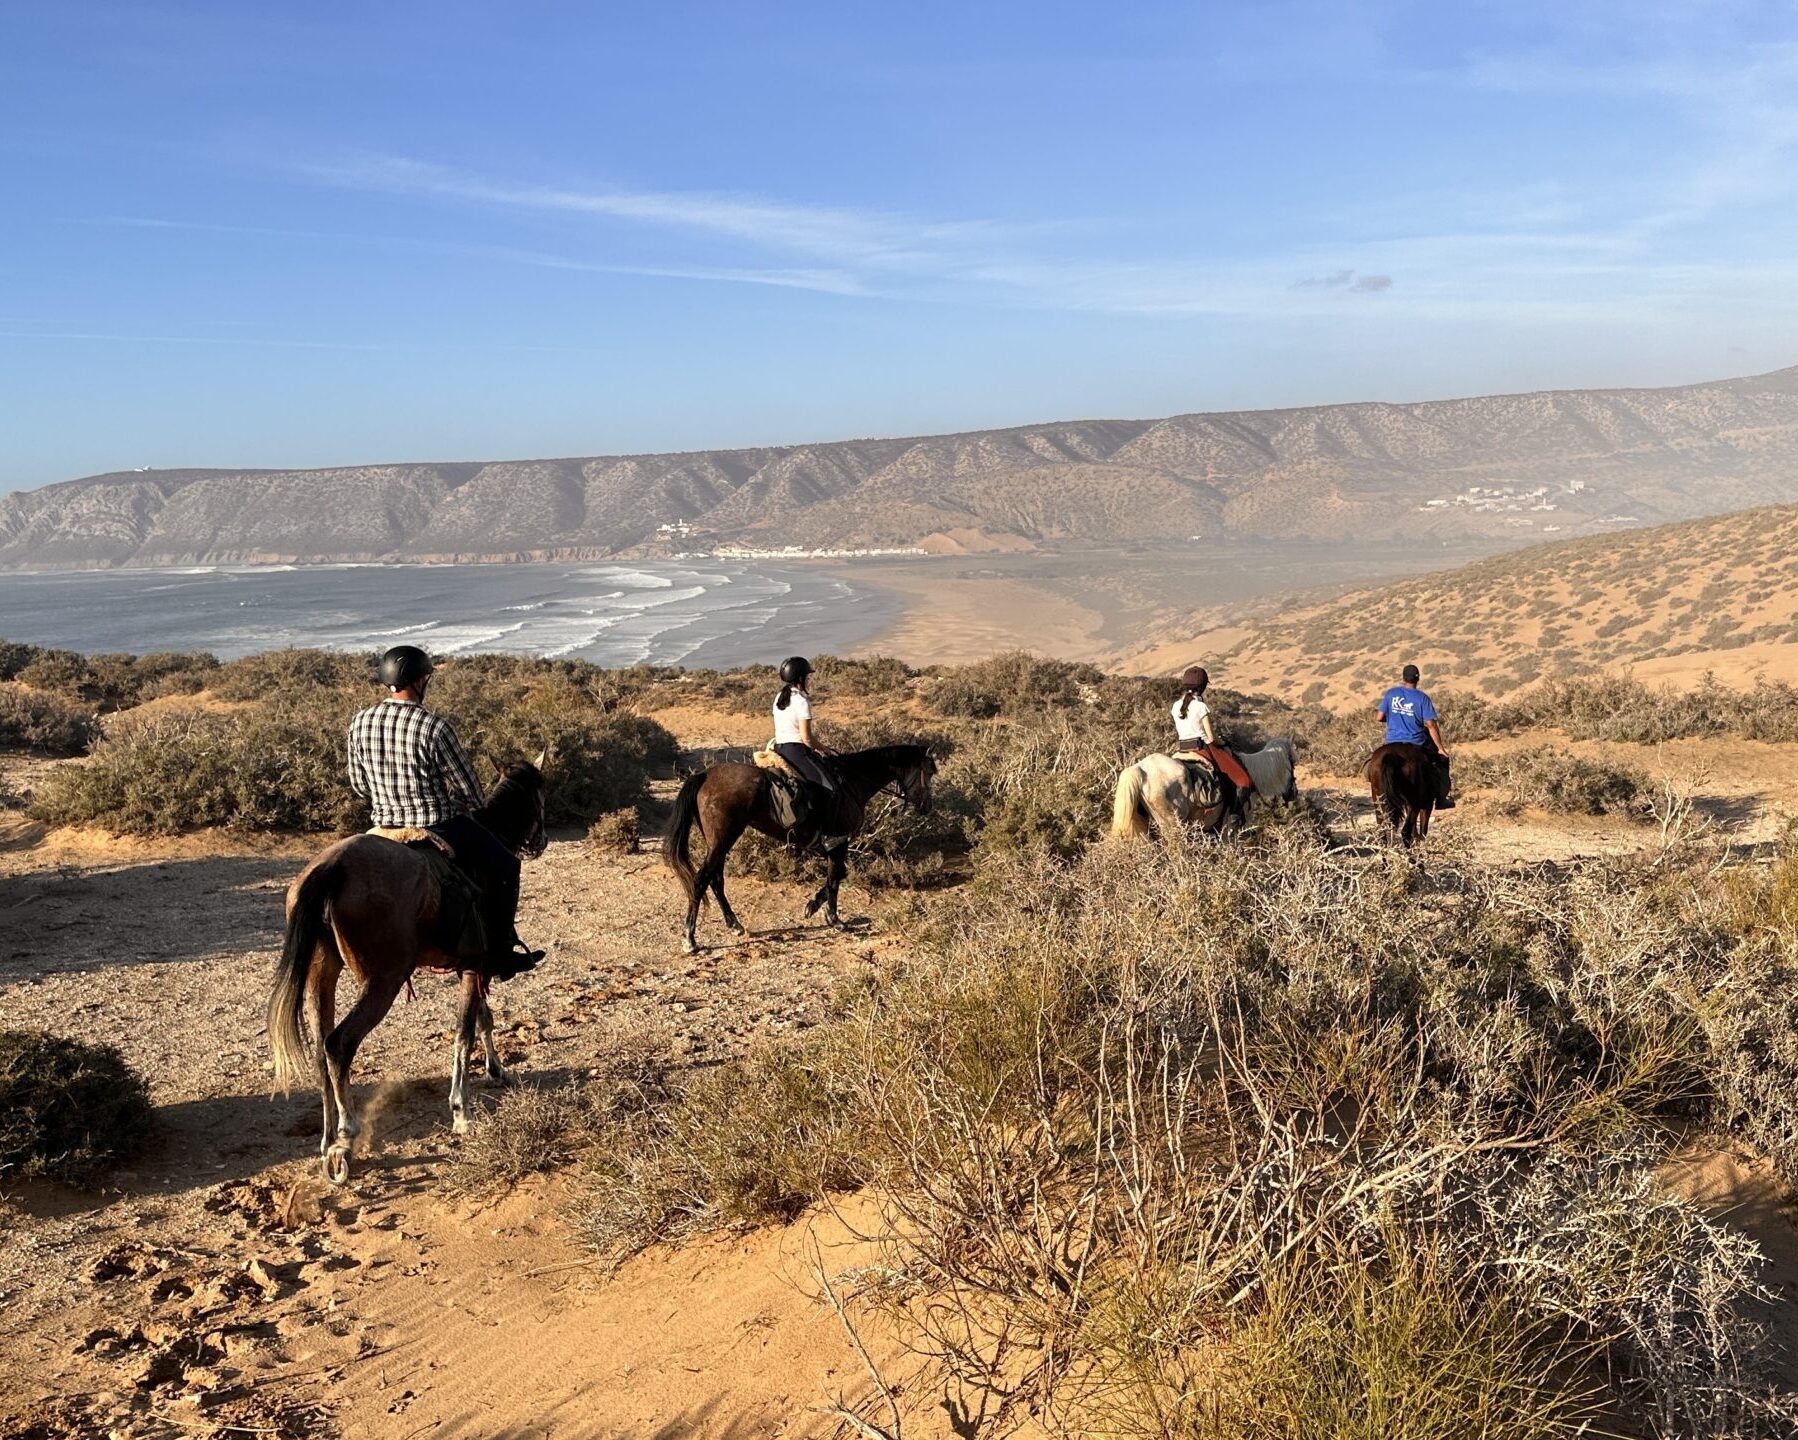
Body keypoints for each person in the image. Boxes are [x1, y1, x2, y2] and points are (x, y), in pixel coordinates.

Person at [348, 645, 543, 972]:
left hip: (381, 827)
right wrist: (454, 802)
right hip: (435, 825)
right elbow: (472, 791)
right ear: (421, 681)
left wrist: (388, 797)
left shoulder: (360, 722)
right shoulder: (434, 727)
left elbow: (359, 785)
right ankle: (500, 953)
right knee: (507, 864)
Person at [770, 656, 846, 844]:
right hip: (796, 750)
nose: (809, 680)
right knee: (830, 787)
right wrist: (824, 750)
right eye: (807, 677)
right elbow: (806, 738)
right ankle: (827, 835)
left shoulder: (779, 697)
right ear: (801, 678)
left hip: (778, 748)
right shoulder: (802, 701)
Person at [1171, 665, 1254, 815]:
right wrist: (1223, 743)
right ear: (1202, 687)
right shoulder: (1201, 706)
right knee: (1244, 781)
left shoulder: (1176, 706)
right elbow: (1210, 738)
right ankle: (1234, 821)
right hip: (1202, 748)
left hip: (1182, 748)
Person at [1377, 663, 1454, 809]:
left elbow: (1379, 717)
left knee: (1373, 763)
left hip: (1391, 741)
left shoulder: (1391, 694)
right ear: (1418, 679)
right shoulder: (1422, 698)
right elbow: (1431, 725)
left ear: (1403, 678)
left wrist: (1394, 717)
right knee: (1441, 762)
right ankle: (1441, 798)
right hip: (1416, 742)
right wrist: (1440, 748)